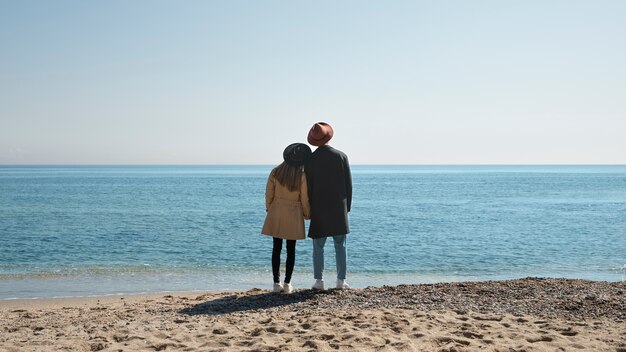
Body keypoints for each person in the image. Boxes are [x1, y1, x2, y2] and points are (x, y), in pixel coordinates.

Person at [305, 122, 352, 290]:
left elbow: (307, 186)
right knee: (341, 246)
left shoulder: (310, 160)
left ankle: (319, 281)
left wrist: (308, 207)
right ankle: (341, 281)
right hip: (339, 207)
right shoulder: (341, 156)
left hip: (318, 207)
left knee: (318, 247)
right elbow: (348, 185)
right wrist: (347, 207)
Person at [261, 143, 312, 293]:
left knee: (276, 248)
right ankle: (287, 283)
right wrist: (307, 213)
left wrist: (270, 209)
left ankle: (276, 283)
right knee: (291, 249)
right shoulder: (301, 176)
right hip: (294, 212)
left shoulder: (276, 172)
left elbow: (268, 193)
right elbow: (304, 197)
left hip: (276, 210)